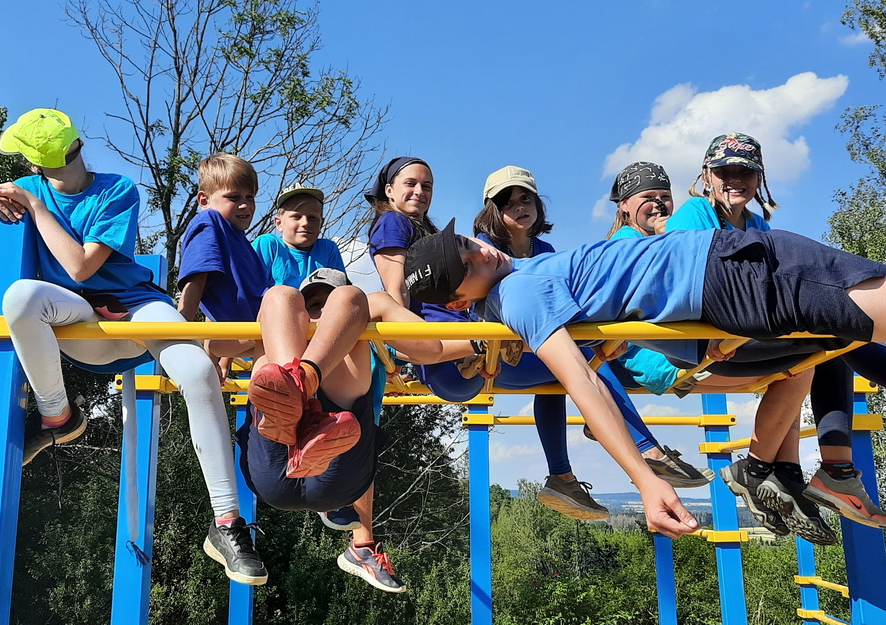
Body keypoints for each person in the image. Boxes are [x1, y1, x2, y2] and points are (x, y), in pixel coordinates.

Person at [403, 219, 886, 538]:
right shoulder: (518, 293)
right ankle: (790, 470)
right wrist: (646, 482)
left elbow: (595, 334)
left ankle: (801, 470)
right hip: (723, 270)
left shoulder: (517, 283)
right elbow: (581, 383)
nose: (481, 253)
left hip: (716, 309)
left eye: (467, 245)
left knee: (851, 345)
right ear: (458, 302)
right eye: (465, 265)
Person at [0, 110, 267, 586]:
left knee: (197, 370)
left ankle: (227, 522)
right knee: (19, 297)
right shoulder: (24, 193)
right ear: (77, 143)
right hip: (76, 318)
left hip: (135, 307)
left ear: (33, 160)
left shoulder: (116, 190)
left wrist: (37, 207)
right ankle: (58, 416)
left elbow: (81, 267)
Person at [667, 137, 886, 535]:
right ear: (707, 177)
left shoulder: (757, 225)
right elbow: (678, 278)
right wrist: (710, 331)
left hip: (745, 335)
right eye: (724, 172)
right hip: (704, 344)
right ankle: (763, 470)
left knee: (827, 345)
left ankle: (826, 470)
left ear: (759, 179)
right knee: (829, 336)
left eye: (745, 172)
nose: (735, 179)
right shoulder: (693, 216)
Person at [472, 165, 711, 521]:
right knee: (576, 357)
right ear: (493, 211)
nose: (519, 206)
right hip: (504, 354)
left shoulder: (544, 249)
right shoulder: (486, 251)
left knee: (566, 367)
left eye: (526, 198)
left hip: (545, 347)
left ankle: (563, 476)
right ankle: (646, 449)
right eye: (507, 202)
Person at [234, 270, 476, 592]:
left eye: (329, 305)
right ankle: (296, 402)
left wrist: (480, 342)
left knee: (349, 308)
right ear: (301, 314)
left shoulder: (365, 319)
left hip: (337, 477)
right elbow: (219, 343)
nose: (322, 314)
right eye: (313, 307)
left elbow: (431, 347)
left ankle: (301, 392)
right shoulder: (287, 322)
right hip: (276, 471)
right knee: (279, 296)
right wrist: (263, 318)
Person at [366, 156, 482, 401]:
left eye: (426, 186)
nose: (419, 191)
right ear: (389, 190)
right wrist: (399, 347)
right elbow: (397, 289)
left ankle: (482, 346)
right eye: (410, 183)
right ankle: (482, 345)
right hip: (438, 343)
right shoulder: (392, 222)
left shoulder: (427, 230)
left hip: (456, 336)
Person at [252, 183, 346, 288]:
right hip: (276, 298)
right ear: (279, 223)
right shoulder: (269, 245)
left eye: (312, 218)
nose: (305, 223)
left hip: (319, 299)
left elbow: (339, 289)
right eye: (296, 217)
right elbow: (251, 287)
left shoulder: (328, 249)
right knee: (283, 293)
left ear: (321, 223)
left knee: (352, 292)